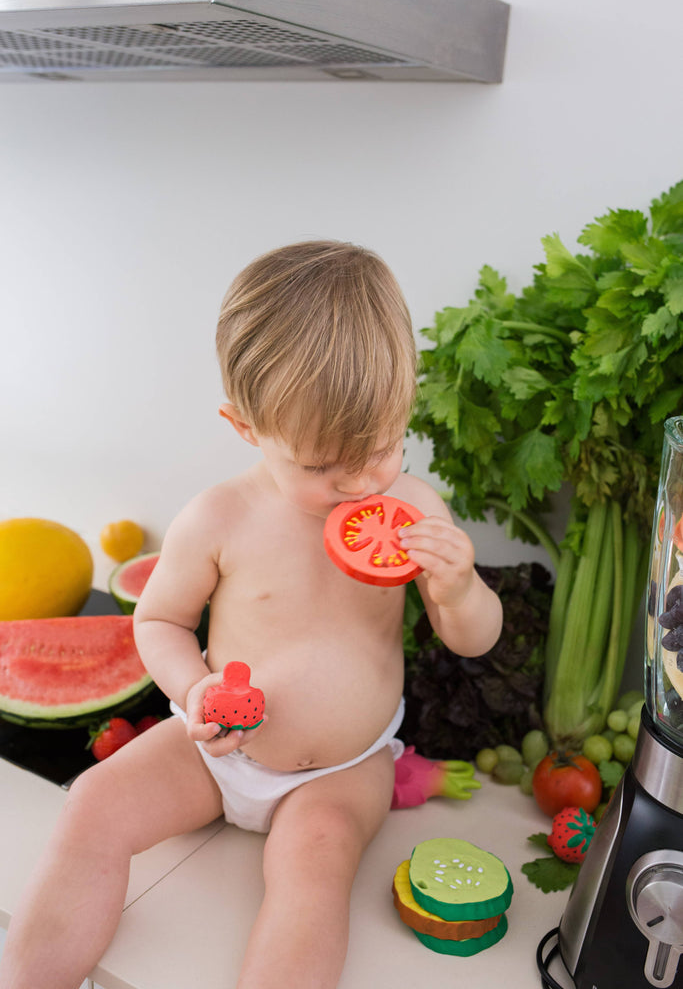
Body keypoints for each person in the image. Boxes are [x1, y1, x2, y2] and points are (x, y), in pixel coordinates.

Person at [0, 240, 503, 989]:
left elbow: (472, 640)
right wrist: (192, 690)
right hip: (216, 751)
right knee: (93, 805)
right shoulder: (219, 518)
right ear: (246, 428)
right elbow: (161, 623)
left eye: (385, 445)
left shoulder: (415, 511)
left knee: (313, 868)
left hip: (340, 769)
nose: (364, 481)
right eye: (324, 466)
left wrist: (459, 588)